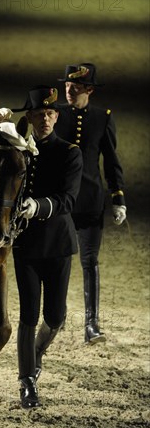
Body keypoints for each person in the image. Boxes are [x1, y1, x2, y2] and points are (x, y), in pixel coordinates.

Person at [11, 86, 83, 409]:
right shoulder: (18, 151)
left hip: (57, 245)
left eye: (50, 113)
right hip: (25, 245)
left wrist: (37, 206)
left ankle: (37, 351)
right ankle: (27, 381)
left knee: (55, 315)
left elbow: (67, 200)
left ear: (57, 115)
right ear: (29, 117)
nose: (45, 119)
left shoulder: (70, 153)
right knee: (28, 313)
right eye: (39, 114)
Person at [55, 63, 126, 345]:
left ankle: (91, 324)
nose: (69, 92)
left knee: (89, 261)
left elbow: (111, 161)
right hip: (61, 201)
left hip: (90, 200)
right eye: (67, 87)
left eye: (75, 88)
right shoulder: (55, 114)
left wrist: (117, 197)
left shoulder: (102, 118)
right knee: (58, 260)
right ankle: (55, 316)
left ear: (89, 90)